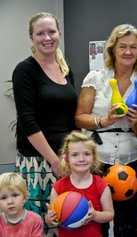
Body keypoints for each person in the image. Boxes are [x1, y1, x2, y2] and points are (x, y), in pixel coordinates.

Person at [75, 24, 137, 237]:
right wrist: (105, 120)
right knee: (94, 215)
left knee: (127, 220)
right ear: (112, 49)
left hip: (131, 160)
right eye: (122, 46)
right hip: (98, 158)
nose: (128, 52)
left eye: (133, 47)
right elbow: (79, 117)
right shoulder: (95, 78)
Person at [12, 12, 77, 218]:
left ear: (59, 34)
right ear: (32, 38)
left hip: (66, 158)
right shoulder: (24, 70)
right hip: (38, 162)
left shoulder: (66, 70)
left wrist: (70, 155)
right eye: (40, 33)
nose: (47, 38)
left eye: (52, 32)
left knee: (67, 219)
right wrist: (54, 161)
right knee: (39, 223)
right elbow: (28, 121)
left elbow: (71, 118)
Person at [45, 131, 114, 237]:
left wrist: (95, 215)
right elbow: (52, 218)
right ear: (67, 158)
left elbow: (110, 214)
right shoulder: (58, 187)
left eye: (86, 154)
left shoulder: (101, 185)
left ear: (94, 157)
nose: (81, 159)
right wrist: (49, 219)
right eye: (75, 155)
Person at [0, 172, 44, 237]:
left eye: (15, 195)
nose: (10, 201)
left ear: (24, 197)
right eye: (4, 198)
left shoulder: (35, 220)